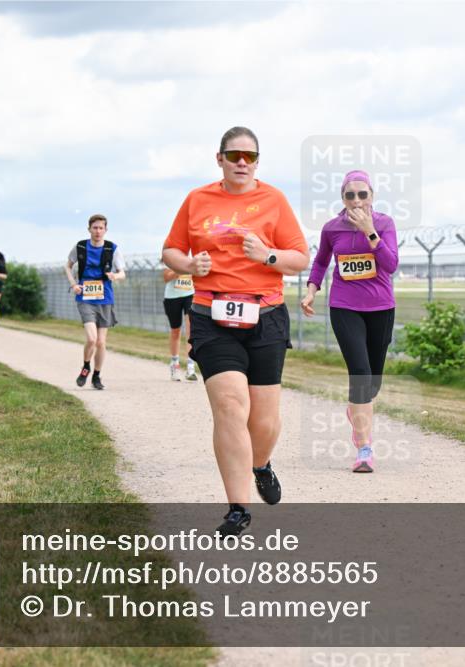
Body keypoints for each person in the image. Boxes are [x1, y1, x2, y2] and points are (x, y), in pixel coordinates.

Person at [162, 126, 310, 537]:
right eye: (234, 156)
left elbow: (300, 259)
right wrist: (189, 266)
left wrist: (269, 255)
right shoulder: (197, 200)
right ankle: (238, 507)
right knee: (229, 405)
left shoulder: (274, 200)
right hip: (212, 316)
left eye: (250, 156)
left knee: (264, 421)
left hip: (266, 315)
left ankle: (260, 465)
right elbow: (171, 250)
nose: (242, 163)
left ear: (257, 161)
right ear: (220, 159)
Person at [301, 170, 399, 473]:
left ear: (372, 196)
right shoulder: (332, 229)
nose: (356, 200)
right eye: (349, 195)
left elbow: (391, 264)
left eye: (362, 194)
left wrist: (370, 232)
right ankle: (364, 448)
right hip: (344, 305)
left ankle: (356, 413)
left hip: (381, 307)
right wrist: (311, 291)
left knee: (373, 382)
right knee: (359, 373)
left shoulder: (384, 224)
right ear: (342, 198)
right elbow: (321, 262)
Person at [66, 214, 126, 390]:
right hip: (85, 297)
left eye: (101, 228)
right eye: (95, 228)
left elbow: (123, 272)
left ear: (106, 230)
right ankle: (86, 366)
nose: (98, 231)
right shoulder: (80, 247)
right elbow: (67, 266)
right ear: (89, 229)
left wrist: (115, 276)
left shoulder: (112, 249)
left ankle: (97, 376)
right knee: (91, 339)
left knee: (101, 342)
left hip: (104, 297)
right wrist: (74, 284)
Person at [162, 264, 198, 382]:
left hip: (189, 294)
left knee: (190, 329)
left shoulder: (192, 257)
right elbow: (166, 278)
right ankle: (174, 364)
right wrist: (180, 270)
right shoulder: (170, 257)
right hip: (172, 297)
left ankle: (190, 367)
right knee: (175, 331)